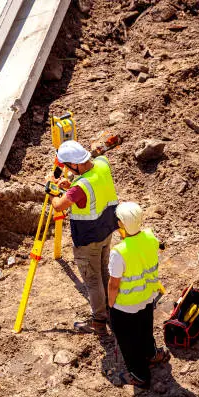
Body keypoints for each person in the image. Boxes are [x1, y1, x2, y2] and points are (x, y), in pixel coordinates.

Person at [50, 140, 118, 335]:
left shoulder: (80, 187)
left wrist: (51, 192)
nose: (66, 169)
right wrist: (70, 184)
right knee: (104, 272)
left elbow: (59, 206)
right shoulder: (102, 164)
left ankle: (98, 322)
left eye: (67, 166)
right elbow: (92, 186)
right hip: (106, 231)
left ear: (75, 164)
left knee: (93, 281)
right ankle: (112, 310)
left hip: (88, 240)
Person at [108, 202, 170, 389]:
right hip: (147, 297)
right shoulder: (151, 237)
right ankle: (151, 354)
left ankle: (139, 375)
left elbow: (114, 284)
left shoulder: (119, 252)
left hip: (125, 305)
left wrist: (110, 304)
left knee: (128, 341)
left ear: (121, 224)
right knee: (145, 329)